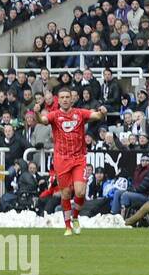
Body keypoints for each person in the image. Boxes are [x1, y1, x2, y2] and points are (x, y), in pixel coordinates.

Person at [38, 88, 107, 235]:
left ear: (71, 99)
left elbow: (96, 115)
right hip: (61, 159)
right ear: (59, 99)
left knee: (80, 191)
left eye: (67, 97)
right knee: (66, 194)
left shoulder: (79, 113)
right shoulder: (55, 115)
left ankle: (75, 217)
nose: (64, 100)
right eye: (62, 97)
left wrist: (103, 112)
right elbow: (42, 121)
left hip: (78, 158)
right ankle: (68, 226)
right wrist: (37, 113)